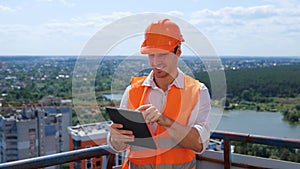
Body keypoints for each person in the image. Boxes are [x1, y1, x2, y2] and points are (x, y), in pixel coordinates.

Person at [108, 18, 211, 169]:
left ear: (178, 52)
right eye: (151, 55)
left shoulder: (197, 92)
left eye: (162, 54)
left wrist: (165, 121)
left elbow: (200, 144)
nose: (156, 63)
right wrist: (116, 138)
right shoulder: (133, 91)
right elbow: (119, 146)